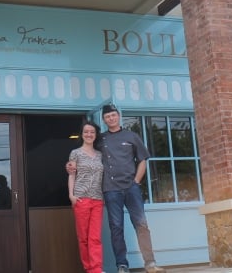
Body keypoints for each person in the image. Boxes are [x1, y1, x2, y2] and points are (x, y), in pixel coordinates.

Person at [68, 104, 164, 273]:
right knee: (116, 228)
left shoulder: (132, 136)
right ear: (104, 120)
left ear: (118, 116)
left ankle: (150, 263)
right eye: (107, 117)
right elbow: (85, 154)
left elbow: (143, 160)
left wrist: (136, 180)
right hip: (111, 190)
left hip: (131, 188)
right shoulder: (100, 140)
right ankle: (122, 265)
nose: (110, 118)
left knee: (141, 224)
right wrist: (70, 166)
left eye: (113, 115)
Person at [68, 121, 105, 273]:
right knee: (83, 238)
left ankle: (96, 269)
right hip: (81, 198)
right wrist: (71, 195)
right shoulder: (75, 153)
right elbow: (71, 175)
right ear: (82, 134)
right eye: (86, 132)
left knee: (95, 237)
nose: (89, 134)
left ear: (95, 135)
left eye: (92, 132)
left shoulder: (101, 155)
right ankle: (89, 268)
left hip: (97, 199)